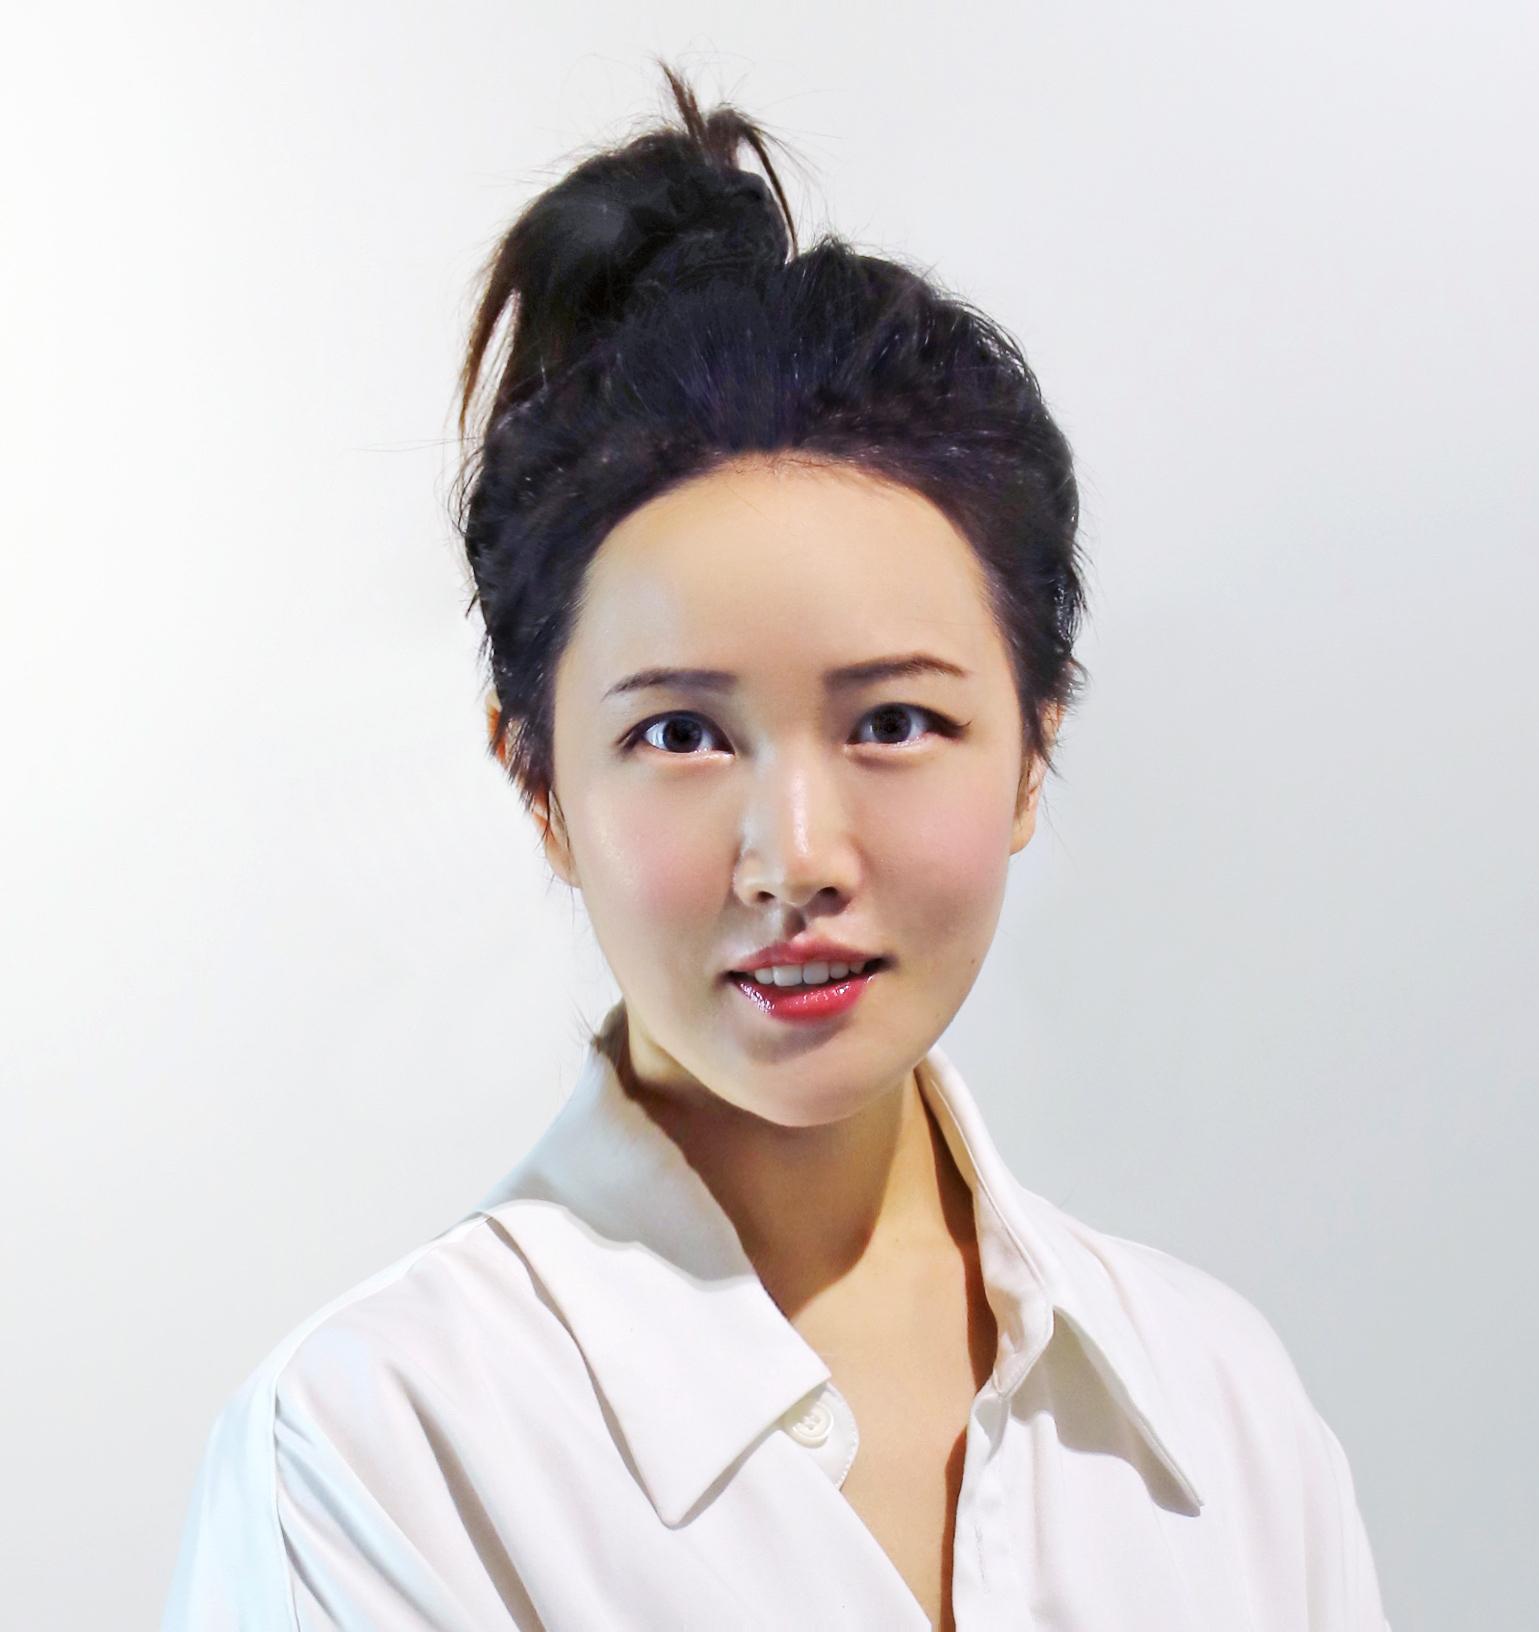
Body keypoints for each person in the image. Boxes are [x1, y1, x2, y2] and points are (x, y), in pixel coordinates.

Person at [162, 63, 1390, 1632]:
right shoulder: (376, 1453)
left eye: (895, 723)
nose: (794, 857)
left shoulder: (1223, 1415)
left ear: (1035, 748)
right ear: (538, 782)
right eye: (681, 736)